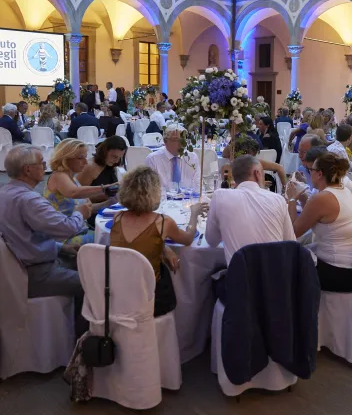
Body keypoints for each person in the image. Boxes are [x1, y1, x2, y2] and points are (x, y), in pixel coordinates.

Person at [0, 146, 92, 336]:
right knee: (95, 284)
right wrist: (80, 213)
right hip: (35, 273)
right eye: (41, 163)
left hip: (19, 269)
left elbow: (23, 237)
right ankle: (83, 342)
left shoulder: (5, 193)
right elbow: (67, 227)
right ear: (27, 169)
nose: (45, 167)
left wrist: (62, 248)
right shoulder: (29, 200)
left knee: (82, 263)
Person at [111, 166, 208, 316]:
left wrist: (163, 248)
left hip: (118, 290)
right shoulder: (162, 222)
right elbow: (188, 239)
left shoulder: (117, 217)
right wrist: (194, 214)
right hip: (150, 295)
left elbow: (139, 241)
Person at [286, 152, 352, 291]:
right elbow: (314, 216)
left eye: (311, 170)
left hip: (339, 270)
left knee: (287, 261)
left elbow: (293, 232)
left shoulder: (323, 198)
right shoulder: (341, 189)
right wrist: (302, 197)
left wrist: (291, 199)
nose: (309, 173)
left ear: (320, 174)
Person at [206, 155, 296, 265]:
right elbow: (291, 244)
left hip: (240, 275)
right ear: (257, 174)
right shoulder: (278, 200)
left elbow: (211, 241)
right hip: (276, 274)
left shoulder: (220, 196)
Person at [45, 139, 116, 244]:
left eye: (85, 157)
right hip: (64, 237)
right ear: (65, 159)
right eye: (80, 158)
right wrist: (105, 188)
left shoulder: (73, 180)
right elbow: (74, 192)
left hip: (78, 231)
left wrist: (110, 202)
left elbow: (89, 208)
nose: (85, 162)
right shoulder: (58, 176)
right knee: (114, 239)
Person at [145, 123, 201, 191]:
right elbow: (150, 189)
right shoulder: (153, 159)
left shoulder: (192, 157)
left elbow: (198, 185)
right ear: (165, 141)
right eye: (176, 140)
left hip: (188, 197)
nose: (181, 143)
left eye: (183, 139)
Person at [221, 135, 287, 192]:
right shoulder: (229, 167)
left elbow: (279, 168)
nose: (253, 158)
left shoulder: (256, 163)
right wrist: (258, 183)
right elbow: (230, 186)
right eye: (252, 155)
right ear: (243, 153)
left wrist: (284, 190)